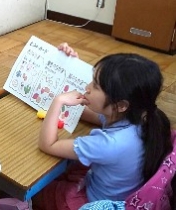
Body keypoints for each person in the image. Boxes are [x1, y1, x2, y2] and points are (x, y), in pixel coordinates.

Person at [34, 43, 173, 209]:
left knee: (40, 190)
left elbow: (47, 144)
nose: (87, 87)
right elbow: (86, 113)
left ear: (121, 105)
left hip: (93, 200)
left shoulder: (107, 144)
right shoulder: (142, 117)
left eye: (95, 85)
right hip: (120, 191)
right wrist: (70, 67)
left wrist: (58, 101)